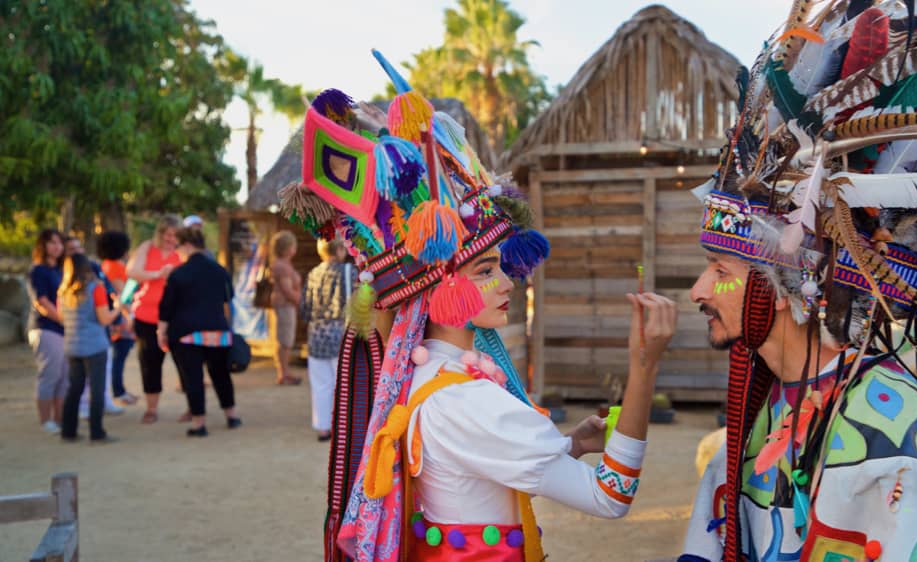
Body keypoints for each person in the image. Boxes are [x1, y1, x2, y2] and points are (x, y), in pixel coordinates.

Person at [281, 59, 677, 562]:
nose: (507, 279)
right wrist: (644, 368)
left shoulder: (431, 374)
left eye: (499, 266)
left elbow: (479, 476)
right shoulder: (466, 401)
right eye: (485, 270)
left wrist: (571, 445)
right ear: (437, 287)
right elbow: (610, 496)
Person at [678, 3, 917, 560]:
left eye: (721, 271)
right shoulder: (768, 407)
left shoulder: (893, 432)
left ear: (788, 285)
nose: (698, 291)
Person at [158, 227, 240, 437]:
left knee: (193, 378)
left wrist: (162, 332)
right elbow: (227, 301)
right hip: (217, 331)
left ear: (186, 245)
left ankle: (199, 423)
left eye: (178, 246)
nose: (177, 251)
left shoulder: (178, 273)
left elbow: (167, 307)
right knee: (221, 374)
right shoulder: (219, 270)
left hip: (186, 333)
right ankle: (231, 415)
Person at [58, 253, 122, 443]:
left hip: (72, 345)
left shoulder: (63, 292)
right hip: (95, 346)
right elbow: (104, 319)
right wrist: (118, 307)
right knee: (97, 389)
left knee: (74, 388)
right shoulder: (96, 289)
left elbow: (62, 318)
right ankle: (97, 432)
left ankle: (68, 431)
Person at [127, 214, 183, 423]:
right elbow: (132, 271)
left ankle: (192, 407)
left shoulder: (183, 252)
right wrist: (158, 274)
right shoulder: (147, 247)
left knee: (185, 362)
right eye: (167, 234)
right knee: (149, 363)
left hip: (176, 316)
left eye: (175, 234)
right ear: (160, 233)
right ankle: (151, 408)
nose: (171, 238)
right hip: (147, 316)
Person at [65, 234, 126, 418]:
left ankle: (72, 426)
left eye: (79, 248)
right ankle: (96, 429)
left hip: (75, 340)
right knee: (92, 383)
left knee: (79, 382)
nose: (77, 253)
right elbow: (104, 315)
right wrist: (117, 311)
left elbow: (108, 294)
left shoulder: (66, 287)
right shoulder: (92, 287)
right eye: (72, 250)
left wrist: (116, 320)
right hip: (93, 340)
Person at [301, 238, 351, 441]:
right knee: (344, 384)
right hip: (341, 336)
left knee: (321, 384)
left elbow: (305, 309)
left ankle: (323, 428)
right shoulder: (349, 272)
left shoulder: (313, 273)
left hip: (316, 335)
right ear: (339, 249)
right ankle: (343, 428)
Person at [27, 229, 67, 434]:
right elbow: (42, 301)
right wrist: (64, 320)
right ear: (43, 246)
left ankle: (60, 418)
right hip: (46, 328)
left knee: (63, 376)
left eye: (60, 243)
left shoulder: (61, 271)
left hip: (64, 330)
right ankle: (45, 421)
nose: (57, 247)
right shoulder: (38, 271)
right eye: (52, 243)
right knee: (49, 374)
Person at [97, 230, 138, 406]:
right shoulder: (113, 267)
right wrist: (131, 314)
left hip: (118, 315)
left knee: (118, 355)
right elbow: (123, 295)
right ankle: (118, 392)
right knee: (119, 355)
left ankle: (118, 391)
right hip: (119, 317)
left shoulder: (109, 265)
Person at [269, 230, 301, 386]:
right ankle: (284, 373)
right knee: (285, 340)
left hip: (285, 305)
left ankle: (284, 371)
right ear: (288, 248)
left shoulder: (283, 264)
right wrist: (303, 301)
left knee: (285, 339)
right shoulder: (282, 266)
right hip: (285, 305)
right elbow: (287, 290)